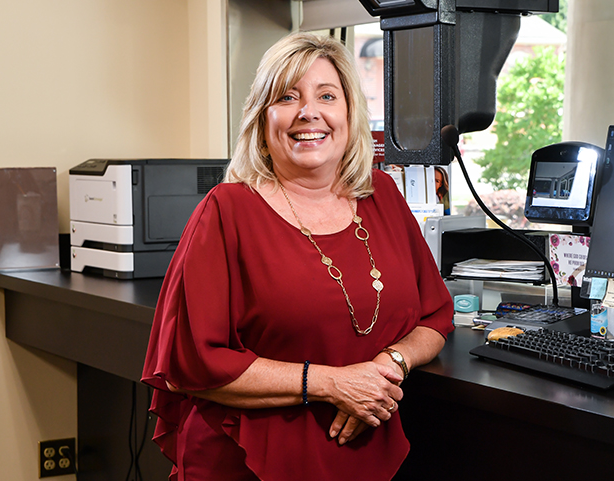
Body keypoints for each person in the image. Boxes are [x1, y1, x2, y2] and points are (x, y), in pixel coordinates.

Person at [141, 32, 454, 481]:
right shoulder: (227, 210)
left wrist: (386, 367)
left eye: (327, 95)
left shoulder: (382, 194)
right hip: (248, 458)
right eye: (287, 97)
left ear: (349, 113)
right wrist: (333, 384)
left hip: (365, 447)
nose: (309, 112)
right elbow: (194, 362)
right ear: (263, 120)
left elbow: (436, 315)